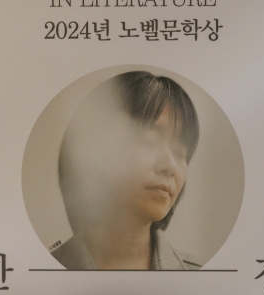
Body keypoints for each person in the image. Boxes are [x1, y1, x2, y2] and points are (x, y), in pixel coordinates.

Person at [51, 71, 200, 270]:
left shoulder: (203, 277)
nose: (170, 165)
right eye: (148, 141)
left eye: (180, 153)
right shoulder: (39, 273)